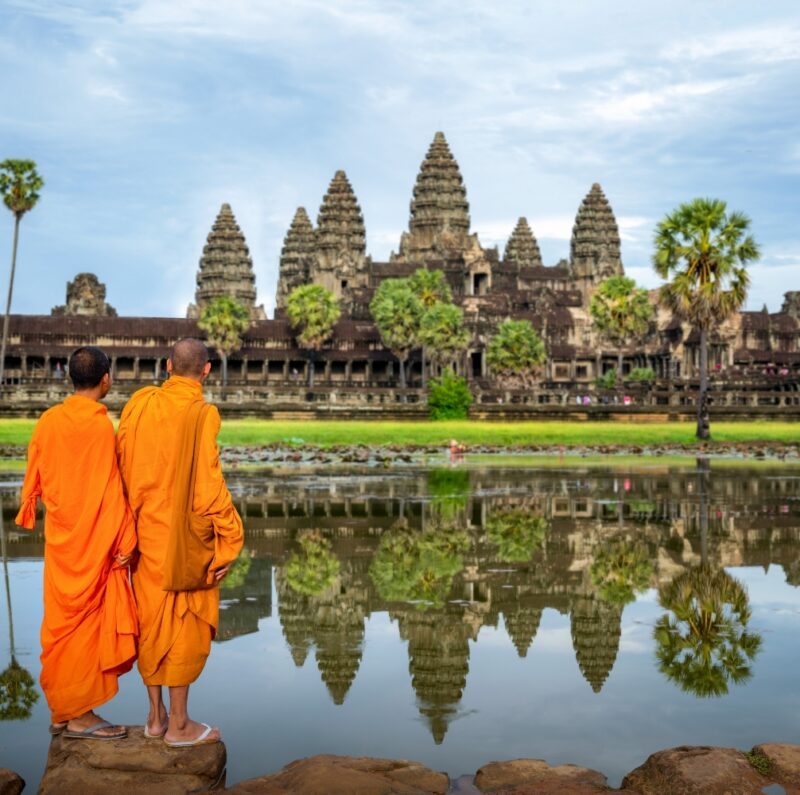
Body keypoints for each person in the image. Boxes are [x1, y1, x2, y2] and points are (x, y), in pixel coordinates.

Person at [116, 338, 244, 747]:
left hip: (141, 534)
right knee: (182, 624)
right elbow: (208, 487)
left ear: (168, 365)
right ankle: (180, 724)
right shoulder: (202, 412)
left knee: (150, 623)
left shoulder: (139, 403)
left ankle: (155, 717)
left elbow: (120, 462)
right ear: (206, 371)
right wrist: (231, 537)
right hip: (182, 541)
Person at [15, 346, 137, 740]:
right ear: (106, 379)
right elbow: (109, 489)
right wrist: (125, 538)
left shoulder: (48, 421)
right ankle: (79, 715)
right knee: (83, 627)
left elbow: (35, 476)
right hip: (93, 543)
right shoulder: (101, 427)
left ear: (71, 378)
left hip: (63, 540)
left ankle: (63, 711)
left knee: (61, 626)